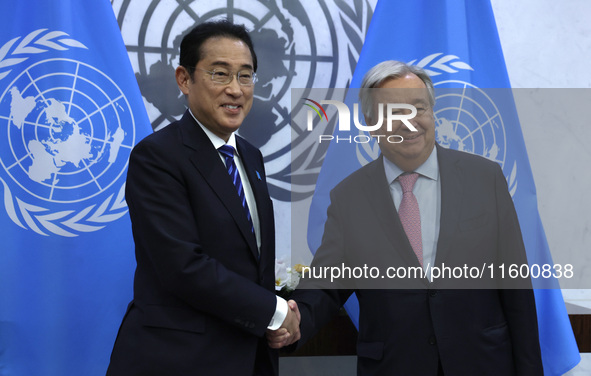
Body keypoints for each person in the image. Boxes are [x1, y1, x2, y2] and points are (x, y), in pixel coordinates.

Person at [268, 61, 544, 375]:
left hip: (482, 361)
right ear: (371, 122)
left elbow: (516, 286)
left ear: (433, 113)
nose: (409, 122)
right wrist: (294, 319)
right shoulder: (349, 198)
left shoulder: (485, 179)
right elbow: (328, 281)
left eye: (419, 108)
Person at [107, 20, 300, 376]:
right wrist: (274, 312)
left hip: (248, 357)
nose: (236, 90)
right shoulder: (157, 157)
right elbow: (183, 267)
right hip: (178, 360)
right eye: (220, 74)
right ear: (184, 79)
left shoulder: (251, 157)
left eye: (245, 76)